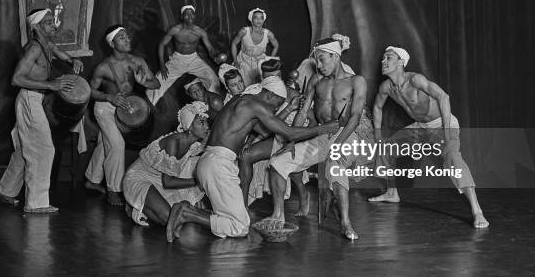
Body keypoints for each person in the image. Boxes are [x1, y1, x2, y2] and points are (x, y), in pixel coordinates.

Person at [164, 76, 340, 242]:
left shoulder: (242, 100)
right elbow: (288, 132)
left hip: (213, 163)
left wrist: (289, 108)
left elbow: (266, 131)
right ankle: (186, 213)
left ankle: (187, 213)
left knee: (235, 220)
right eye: (276, 105)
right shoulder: (253, 104)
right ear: (270, 94)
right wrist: (324, 128)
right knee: (240, 227)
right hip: (217, 165)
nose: (272, 110)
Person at [368, 46, 489, 229]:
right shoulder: (387, 87)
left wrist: (447, 132)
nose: (383, 61)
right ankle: (392, 192)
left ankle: (477, 211)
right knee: (387, 146)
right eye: (383, 58)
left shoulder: (415, 80)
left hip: (441, 123)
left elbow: (444, 97)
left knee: (453, 159)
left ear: (400, 62)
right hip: (420, 127)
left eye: (389, 58)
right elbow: (377, 108)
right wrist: (377, 134)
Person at [266, 38, 373, 240]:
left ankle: (345, 222)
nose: (320, 65)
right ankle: (278, 215)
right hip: (322, 135)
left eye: (323, 60)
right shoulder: (316, 81)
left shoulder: (356, 81)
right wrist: (290, 143)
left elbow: (355, 117)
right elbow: (302, 112)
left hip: (347, 136)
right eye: (317, 61)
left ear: (335, 56)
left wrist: (338, 145)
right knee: (277, 162)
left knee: (335, 164)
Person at [0, 9, 83, 213]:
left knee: (24, 150)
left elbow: (60, 52)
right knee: (43, 149)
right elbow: (16, 79)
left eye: (53, 21)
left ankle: (6, 190)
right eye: (49, 22)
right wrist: (52, 85)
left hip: (35, 98)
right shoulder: (34, 48)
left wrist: (72, 60)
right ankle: (36, 203)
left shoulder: (46, 44)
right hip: (29, 98)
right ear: (36, 27)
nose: (54, 25)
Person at [84, 25, 160, 206]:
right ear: (112, 43)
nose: (127, 40)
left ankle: (91, 181)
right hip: (104, 107)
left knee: (106, 143)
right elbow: (89, 91)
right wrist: (108, 96)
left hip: (126, 108)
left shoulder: (138, 61)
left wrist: (145, 82)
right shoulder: (102, 68)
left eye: (127, 36)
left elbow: (156, 83)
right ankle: (114, 190)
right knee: (117, 145)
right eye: (121, 37)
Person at [237, 58, 311, 212]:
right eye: (268, 78)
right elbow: (257, 121)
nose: (273, 80)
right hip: (267, 133)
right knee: (245, 155)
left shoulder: (293, 94)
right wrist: (249, 140)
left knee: (286, 158)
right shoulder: (260, 93)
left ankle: (303, 195)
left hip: (288, 135)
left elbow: (311, 119)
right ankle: (242, 205)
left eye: (277, 76)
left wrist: (297, 139)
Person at [123, 102, 210, 226]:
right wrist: (198, 181)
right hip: (137, 179)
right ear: (190, 128)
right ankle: (135, 207)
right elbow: (168, 182)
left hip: (158, 182)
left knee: (175, 220)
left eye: (206, 122)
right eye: (201, 123)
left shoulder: (195, 142)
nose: (206, 126)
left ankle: (139, 207)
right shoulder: (174, 142)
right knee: (169, 218)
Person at [148, 5, 221, 105]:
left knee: (213, 79)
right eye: (187, 14)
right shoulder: (175, 30)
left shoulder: (200, 32)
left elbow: (210, 49)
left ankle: (211, 105)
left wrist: (215, 55)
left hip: (193, 59)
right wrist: (162, 65)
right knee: (158, 82)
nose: (190, 16)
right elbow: (162, 44)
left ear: (195, 16)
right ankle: (146, 110)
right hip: (177, 60)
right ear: (182, 17)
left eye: (192, 14)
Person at [231, 8, 279, 86]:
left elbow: (276, 46)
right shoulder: (244, 31)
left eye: (261, 18)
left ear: (264, 20)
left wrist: (269, 60)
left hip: (260, 61)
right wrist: (235, 61)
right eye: (256, 18)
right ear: (251, 19)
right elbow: (233, 44)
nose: (258, 20)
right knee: (244, 85)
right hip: (244, 61)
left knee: (261, 85)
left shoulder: (268, 34)